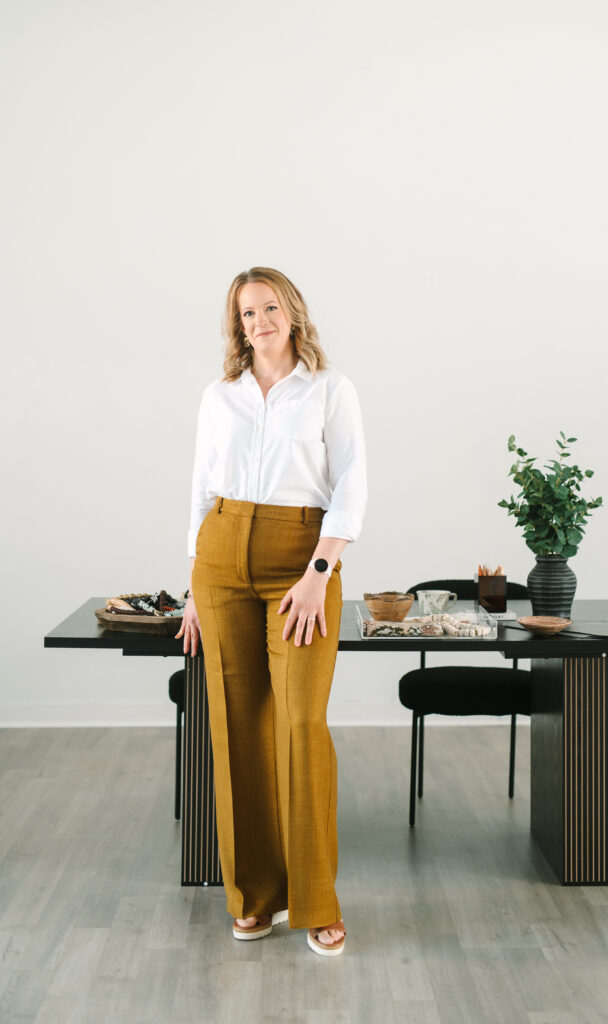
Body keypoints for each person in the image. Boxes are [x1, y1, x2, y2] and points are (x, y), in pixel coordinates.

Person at [175, 267, 367, 957]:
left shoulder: (327, 388)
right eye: (246, 312)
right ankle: (253, 895)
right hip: (221, 560)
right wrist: (195, 585)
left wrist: (320, 571)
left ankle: (316, 901)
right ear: (237, 325)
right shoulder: (219, 396)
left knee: (301, 724)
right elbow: (199, 490)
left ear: (291, 313)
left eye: (270, 307)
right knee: (236, 727)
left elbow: (351, 482)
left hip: (299, 560)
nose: (259, 321)